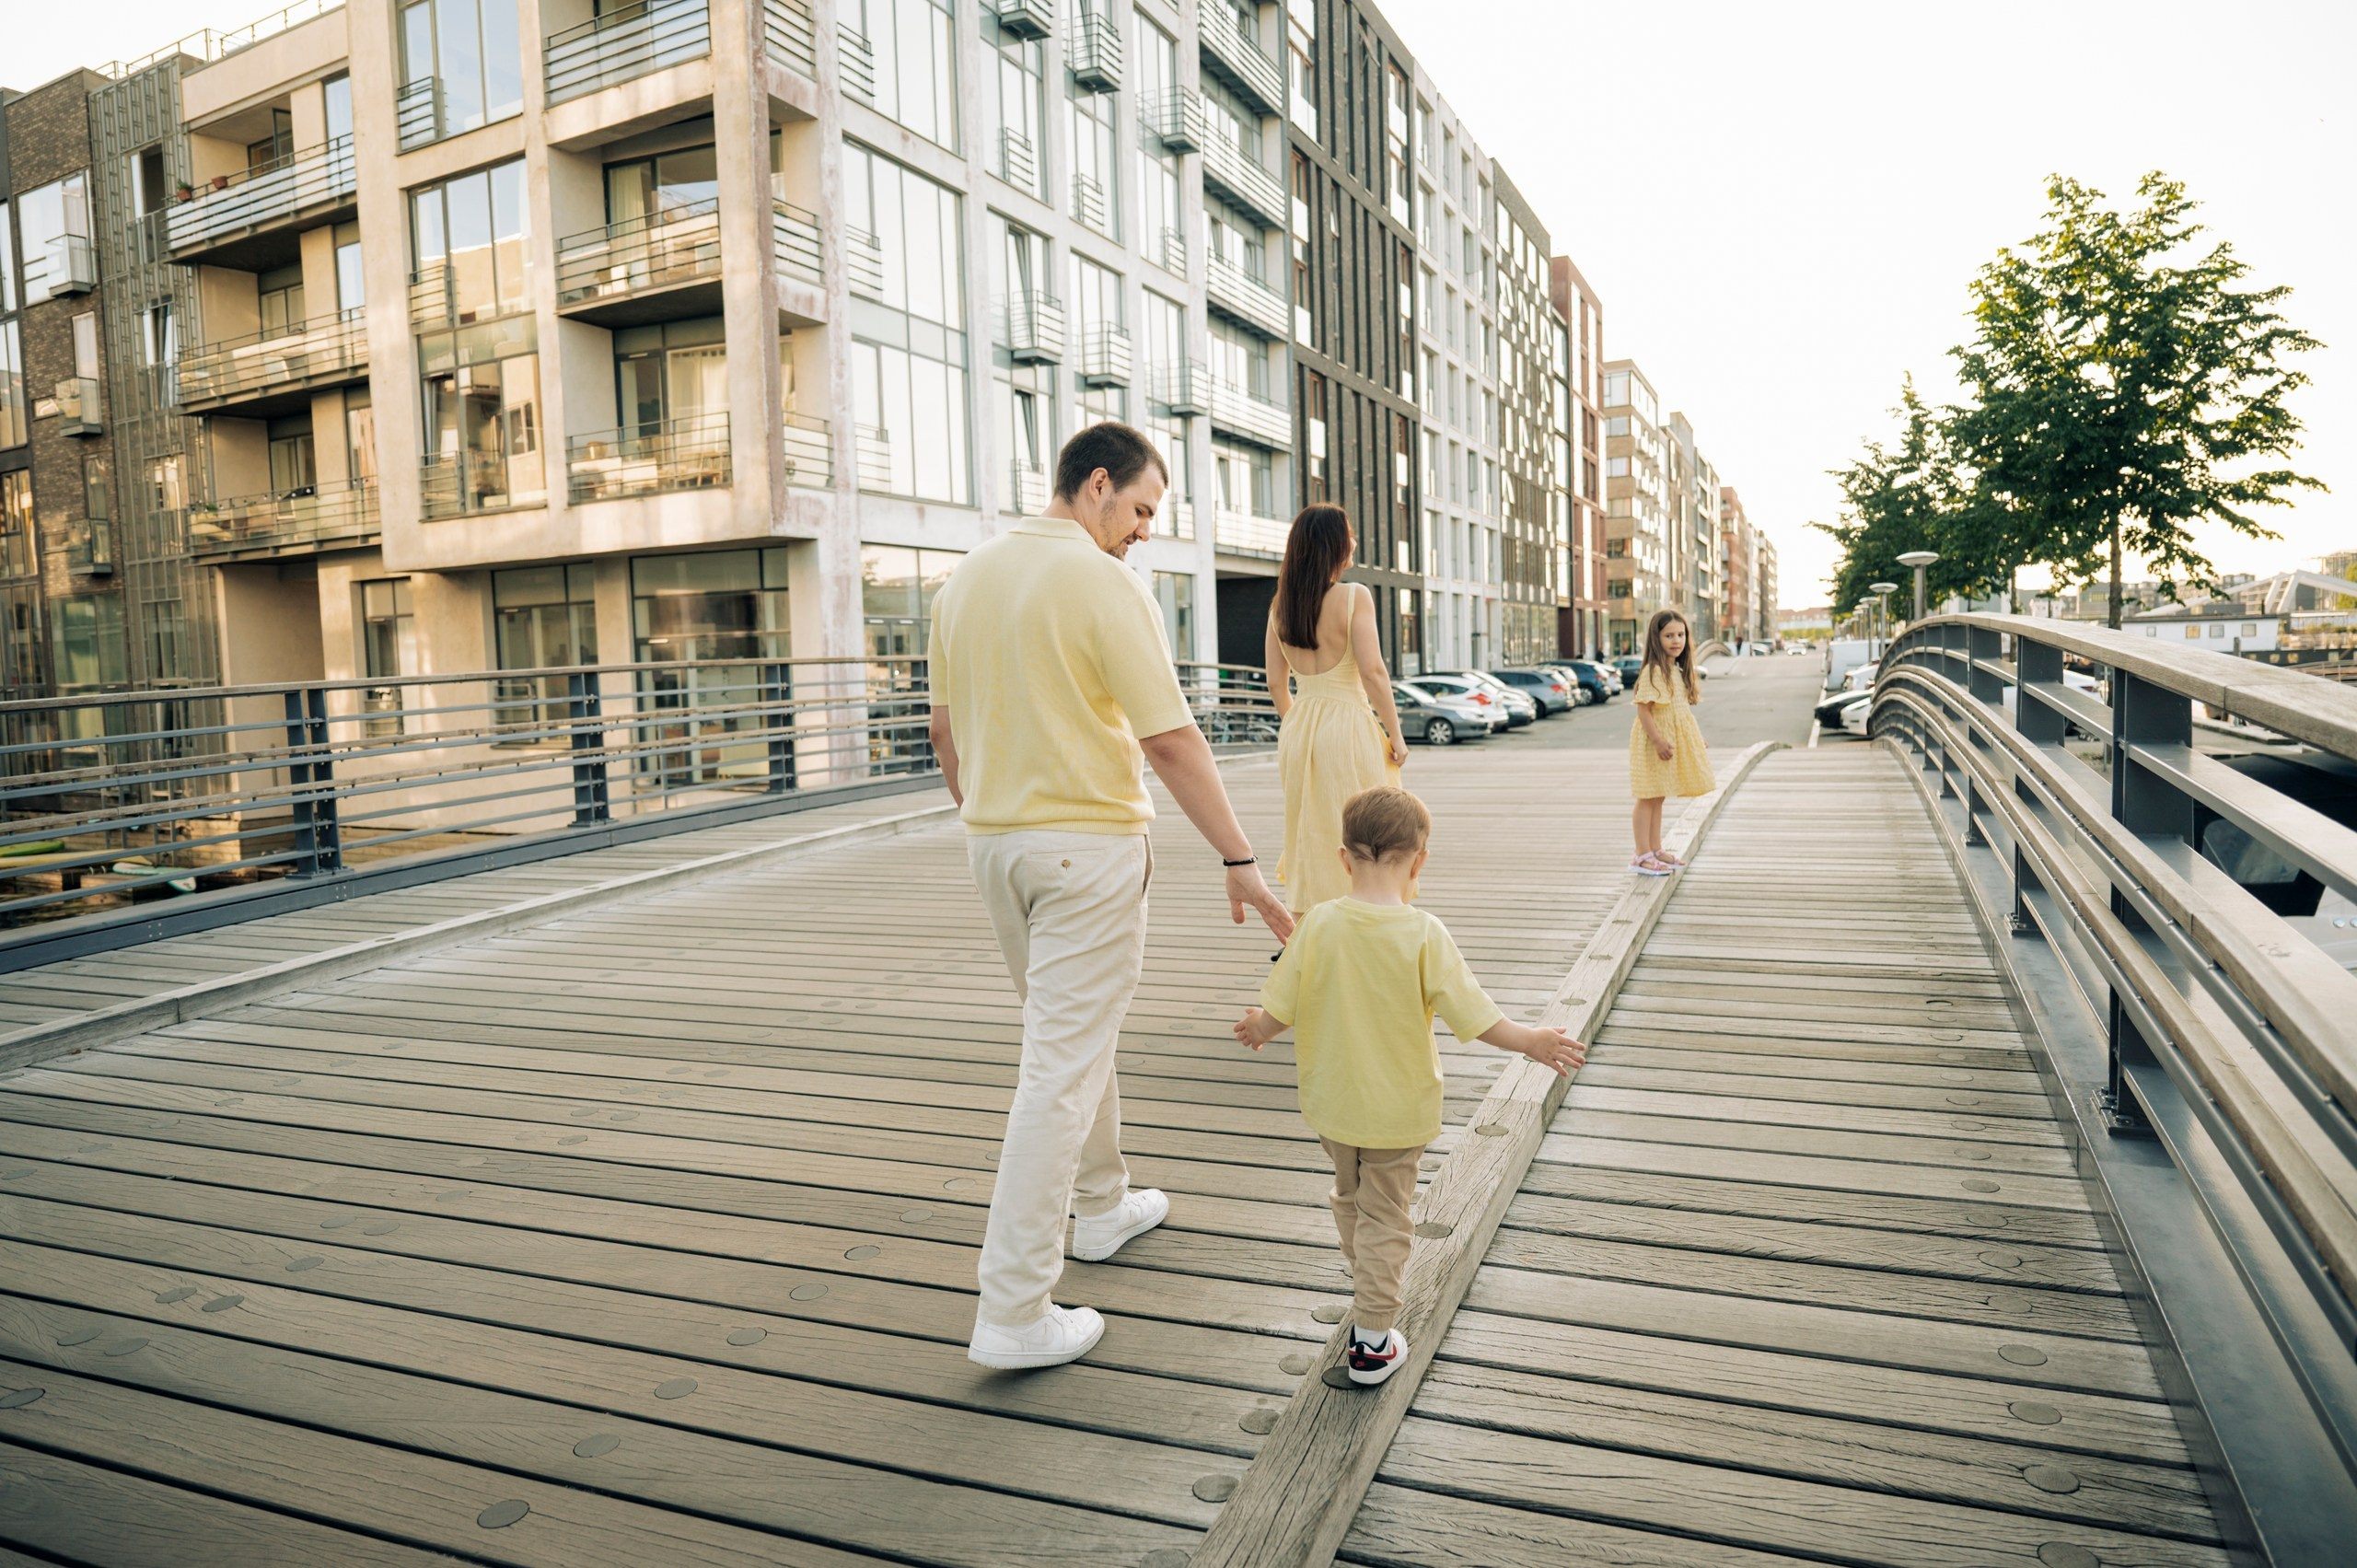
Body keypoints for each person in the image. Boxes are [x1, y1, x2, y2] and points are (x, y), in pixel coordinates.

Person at [928, 421, 1295, 1372]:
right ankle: (1014, 1307)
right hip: (1084, 851)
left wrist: (993, 816)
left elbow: (944, 733)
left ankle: (1100, 1204)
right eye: (1141, 508)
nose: (1143, 530)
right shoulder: (1103, 582)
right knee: (1057, 1067)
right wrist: (1239, 857)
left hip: (995, 847)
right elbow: (1170, 738)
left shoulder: (965, 579)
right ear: (1097, 484)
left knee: (1070, 1036)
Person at [1232, 786, 1585, 1385]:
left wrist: (1258, 1029)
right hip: (1398, 1113)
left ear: (1344, 858)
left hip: (1333, 1104)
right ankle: (1372, 1340)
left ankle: (1366, 1273)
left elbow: (1281, 1007)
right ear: (1419, 862)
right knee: (1388, 1216)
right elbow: (1477, 1016)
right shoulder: (1423, 933)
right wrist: (1531, 1040)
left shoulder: (1318, 924)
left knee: (1350, 1197)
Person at [1263, 505, 1410, 916]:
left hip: (1300, 728)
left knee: (1309, 827)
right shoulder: (1353, 596)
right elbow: (1373, 672)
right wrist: (1395, 734)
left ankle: (1313, 922)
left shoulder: (1279, 607)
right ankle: (1367, 913)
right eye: (1349, 536)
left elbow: (1275, 683)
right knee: (1366, 828)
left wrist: (1298, 724)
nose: (1354, 543)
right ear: (1336, 546)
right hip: (1347, 724)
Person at [1629, 609, 1713, 876]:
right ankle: (1641, 854)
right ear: (1656, 639)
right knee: (1647, 796)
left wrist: (1695, 739)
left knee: (1659, 796)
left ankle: (1655, 849)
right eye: (1669, 636)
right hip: (1653, 741)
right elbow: (1643, 710)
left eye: (1680, 635)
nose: (1676, 641)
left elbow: (1680, 711)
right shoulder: (1653, 671)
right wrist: (1658, 741)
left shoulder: (1674, 670)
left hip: (1667, 741)